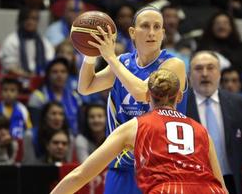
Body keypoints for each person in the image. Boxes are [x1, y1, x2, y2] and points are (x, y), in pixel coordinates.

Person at [51, 69, 228, 194]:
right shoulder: (201, 130)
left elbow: (80, 175)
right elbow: (220, 184)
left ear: (147, 96)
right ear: (180, 96)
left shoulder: (134, 126)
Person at [78, 6, 187, 194]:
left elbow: (142, 92)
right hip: (121, 166)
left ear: (162, 33)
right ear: (132, 32)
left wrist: (111, 58)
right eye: (145, 26)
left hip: (161, 168)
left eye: (156, 27)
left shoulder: (174, 64)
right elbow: (85, 87)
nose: (151, 32)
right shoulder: (123, 62)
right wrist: (90, 54)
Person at [186, 51, 242, 194]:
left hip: (231, 182)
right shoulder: (181, 106)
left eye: (210, 68)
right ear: (189, 76)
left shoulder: (239, 104)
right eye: (198, 69)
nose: (205, 73)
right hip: (194, 184)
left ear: (219, 73)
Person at [0, 4, 55, 77]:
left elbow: (49, 63)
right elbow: (10, 67)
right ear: (20, 20)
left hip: (39, 80)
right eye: (27, 18)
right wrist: (28, 76)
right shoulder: (11, 41)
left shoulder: (44, 42)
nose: (30, 22)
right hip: (15, 81)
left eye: (34, 19)